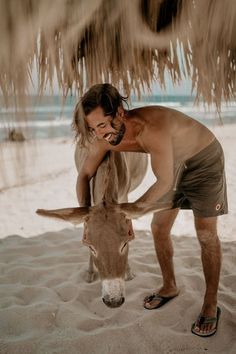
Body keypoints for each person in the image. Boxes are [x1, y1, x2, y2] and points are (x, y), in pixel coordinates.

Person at [73, 83, 227, 337]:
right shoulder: (105, 139)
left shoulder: (151, 128)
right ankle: (169, 286)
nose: (99, 134)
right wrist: (87, 216)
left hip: (203, 162)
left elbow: (163, 182)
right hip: (170, 163)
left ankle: (210, 304)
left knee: (206, 235)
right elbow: (84, 175)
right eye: (92, 128)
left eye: (102, 125)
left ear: (120, 113)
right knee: (159, 228)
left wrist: (130, 212)